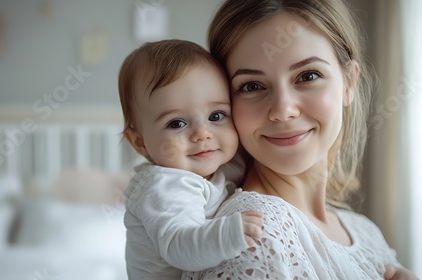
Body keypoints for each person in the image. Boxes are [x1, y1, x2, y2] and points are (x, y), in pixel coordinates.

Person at [183, 0, 419, 279]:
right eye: (252, 86)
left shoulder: (364, 231)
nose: (283, 110)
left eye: (308, 76)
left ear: (348, 83)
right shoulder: (252, 237)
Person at [118, 39, 264, 280]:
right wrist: (229, 234)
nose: (202, 133)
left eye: (216, 115)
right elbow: (179, 245)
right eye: (176, 123)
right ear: (140, 142)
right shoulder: (165, 186)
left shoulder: (217, 163)